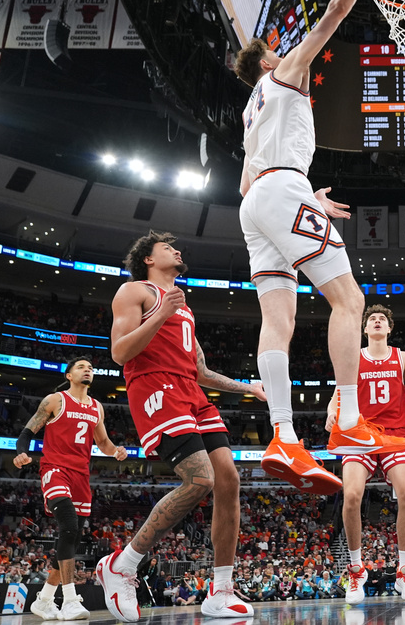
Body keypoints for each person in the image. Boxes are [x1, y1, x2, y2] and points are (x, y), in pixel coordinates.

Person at [232, 0, 405, 486]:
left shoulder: (249, 112)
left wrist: (299, 195)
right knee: (349, 301)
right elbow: (333, 14)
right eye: (276, 48)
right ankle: (350, 421)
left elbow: (245, 186)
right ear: (268, 59)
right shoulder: (282, 75)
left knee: (277, 324)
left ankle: (284, 435)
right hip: (283, 189)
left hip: (255, 205)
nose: (285, 51)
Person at [97, 231, 266, 621]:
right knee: (200, 480)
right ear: (148, 260)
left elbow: (200, 370)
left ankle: (220, 590)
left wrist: (247, 388)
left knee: (228, 481)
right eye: (166, 247)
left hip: (190, 389)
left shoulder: (184, 307)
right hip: (155, 386)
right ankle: (122, 564)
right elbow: (120, 352)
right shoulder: (134, 291)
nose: (176, 250)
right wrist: (161, 313)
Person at [325, 304, 405, 604]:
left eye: (382, 319)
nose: (377, 321)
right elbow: (338, 393)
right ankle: (356, 570)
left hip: (394, 435)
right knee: (350, 497)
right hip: (360, 434)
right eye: (372, 319)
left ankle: (404, 572)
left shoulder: (402, 358)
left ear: (389, 328)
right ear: (365, 329)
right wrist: (331, 412)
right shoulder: (354, 356)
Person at [13, 357, 127, 621]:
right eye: (81, 367)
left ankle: (44, 599)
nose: (88, 370)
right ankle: (70, 600)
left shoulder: (97, 407)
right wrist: (21, 453)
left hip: (81, 476)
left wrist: (116, 452)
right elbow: (27, 432)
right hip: (55, 469)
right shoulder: (55, 400)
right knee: (69, 527)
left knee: (73, 538)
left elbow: (104, 443)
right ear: (70, 375)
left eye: (90, 368)